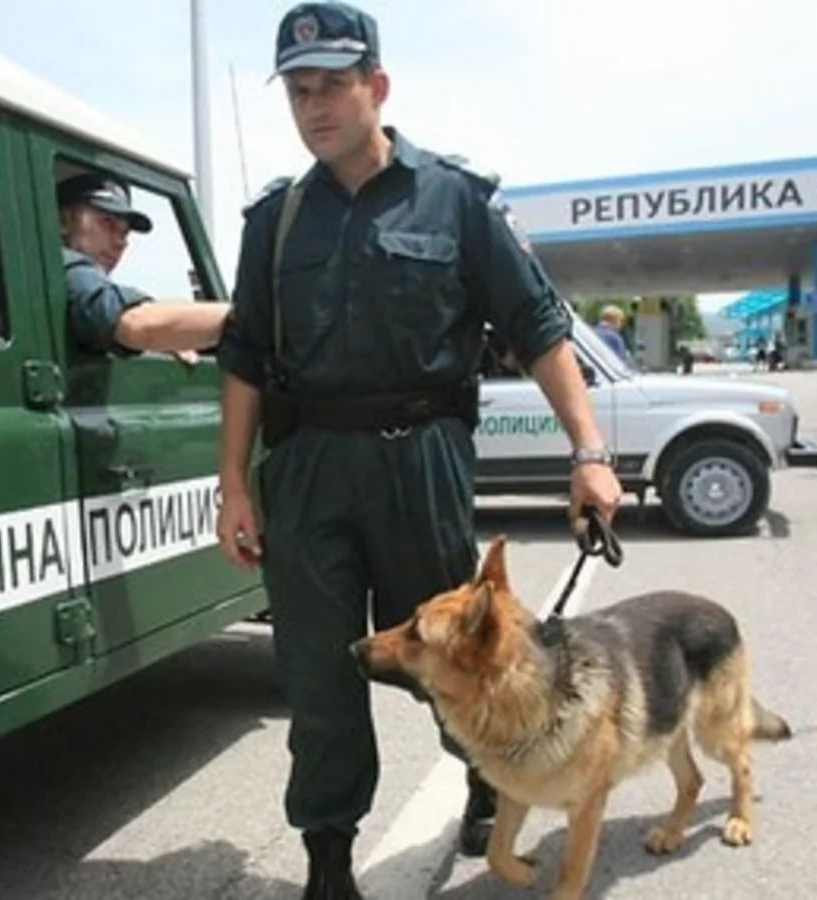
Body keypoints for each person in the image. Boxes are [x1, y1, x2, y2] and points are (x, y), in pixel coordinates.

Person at [212, 4, 622, 898]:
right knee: (320, 674)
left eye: (332, 86)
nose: (314, 107)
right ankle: (327, 853)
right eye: (299, 90)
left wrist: (590, 451)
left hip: (421, 460)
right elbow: (242, 356)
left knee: (455, 655)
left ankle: (484, 776)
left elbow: (540, 329)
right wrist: (232, 486)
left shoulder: (456, 200)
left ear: (377, 88)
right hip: (310, 466)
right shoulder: (273, 221)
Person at [0, 171, 230, 359]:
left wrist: (168, 334)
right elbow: (136, 324)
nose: (120, 242)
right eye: (107, 224)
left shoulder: (15, 271)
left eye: (125, 232)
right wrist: (253, 317)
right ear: (61, 221)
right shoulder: (58, 265)